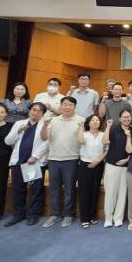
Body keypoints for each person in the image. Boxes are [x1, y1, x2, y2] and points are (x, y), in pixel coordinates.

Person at [41, 96, 84, 228]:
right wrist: (45, 125)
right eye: (65, 104)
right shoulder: (53, 120)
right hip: (53, 158)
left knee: (69, 189)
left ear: (74, 107)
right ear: (61, 106)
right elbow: (45, 137)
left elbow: (83, 140)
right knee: (54, 188)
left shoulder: (81, 120)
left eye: (70, 105)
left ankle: (68, 214)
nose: (67, 107)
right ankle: (54, 214)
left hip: (72, 159)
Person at [3, 102, 49, 227]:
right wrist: (18, 131)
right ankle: (19, 214)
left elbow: (46, 142)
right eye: (34, 110)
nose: (36, 113)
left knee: (35, 190)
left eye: (39, 111)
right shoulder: (19, 123)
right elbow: (8, 141)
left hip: (32, 162)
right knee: (18, 189)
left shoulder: (44, 124)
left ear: (43, 114)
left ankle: (33, 214)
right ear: (29, 111)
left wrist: (35, 157)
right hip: (18, 161)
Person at [102, 110, 132, 228]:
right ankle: (108, 218)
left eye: (128, 117)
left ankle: (118, 218)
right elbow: (104, 141)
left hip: (126, 167)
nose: (126, 119)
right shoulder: (114, 129)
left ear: (131, 118)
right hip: (112, 165)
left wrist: (127, 159)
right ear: (120, 119)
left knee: (122, 193)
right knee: (110, 192)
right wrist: (108, 126)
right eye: (124, 117)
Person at [76, 114, 106, 229]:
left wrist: (98, 160)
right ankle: (84, 218)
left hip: (98, 164)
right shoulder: (84, 134)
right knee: (84, 192)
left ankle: (92, 216)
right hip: (85, 165)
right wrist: (80, 126)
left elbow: (106, 150)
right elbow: (80, 140)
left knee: (95, 191)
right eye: (92, 120)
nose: (95, 122)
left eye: (97, 120)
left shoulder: (103, 134)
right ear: (88, 123)